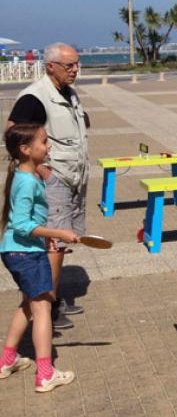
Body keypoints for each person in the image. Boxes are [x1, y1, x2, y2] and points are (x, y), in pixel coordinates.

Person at [6, 43, 89, 330]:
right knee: (52, 243)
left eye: (77, 64)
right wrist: (40, 169)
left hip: (73, 178)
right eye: (70, 65)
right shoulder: (34, 96)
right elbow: (12, 132)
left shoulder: (69, 92)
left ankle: (53, 296)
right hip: (55, 179)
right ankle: (47, 307)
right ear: (50, 66)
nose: (75, 69)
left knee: (62, 242)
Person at [1, 124, 79, 392]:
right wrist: (59, 231)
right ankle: (45, 373)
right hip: (25, 254)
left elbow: (26, 222)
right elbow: (21, 224)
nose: (49, 147)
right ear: (25, 150)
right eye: (44, 142)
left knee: (28, 304)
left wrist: (45, 237)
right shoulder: (26, 183)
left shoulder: (26, 178)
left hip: (19, 250)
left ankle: (6, 360)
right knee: (43, 307)